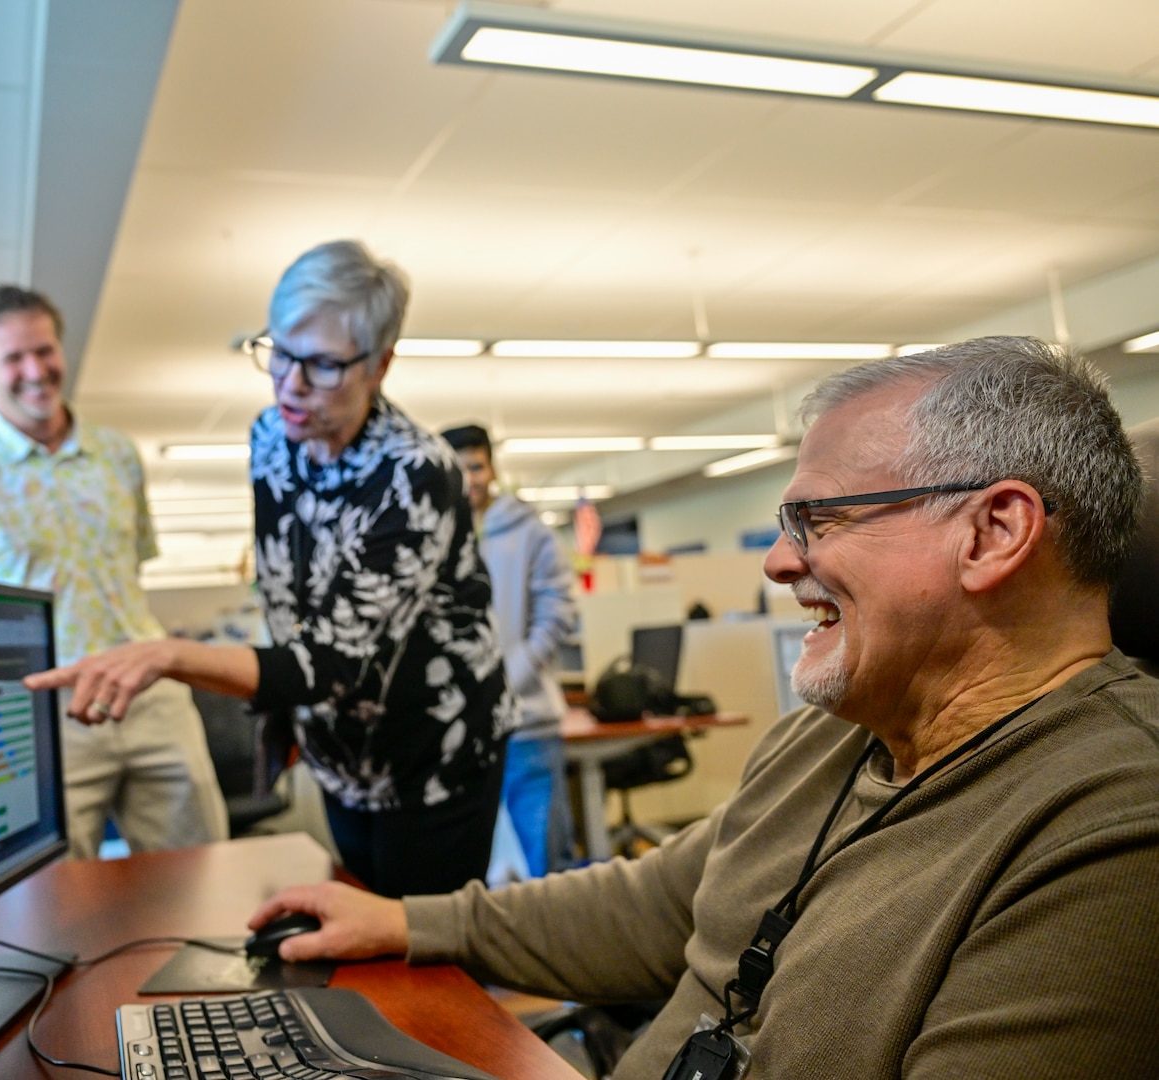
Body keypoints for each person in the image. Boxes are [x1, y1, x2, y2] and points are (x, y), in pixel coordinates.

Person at [245, 337, 1159, 1078]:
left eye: (818, 520)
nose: (778, 562)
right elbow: (654, 906)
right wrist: (411, 922)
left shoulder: (1115, 827)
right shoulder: (826, 743)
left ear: (993, 532)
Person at [28, 241, 511, 897]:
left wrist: (170, 655)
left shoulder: (415, 472)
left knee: (421, 957)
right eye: (280, 352)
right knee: (359, 928)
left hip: (433, 749)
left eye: (323, 366)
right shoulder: (273, 436)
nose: (291, 384)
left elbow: (337, 662)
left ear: (380, 365)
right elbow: (288, 590)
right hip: (343, 757)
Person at [0, 284, 227, 859]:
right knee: (55, 894)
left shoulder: (118, 454)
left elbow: (130, 570)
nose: (36, 370)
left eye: (45, 350)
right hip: (40, 714)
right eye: (13, 358)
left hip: (149, 692)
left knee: (201, 866)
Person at [441, 423, 576, 878]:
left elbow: (557, 617)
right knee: (479, 867)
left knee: (544, 864)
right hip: (462, 730)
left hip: (527, 725)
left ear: (492, 466)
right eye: (460, 470)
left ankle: (556, 948)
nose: (471, 479)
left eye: (477, 466)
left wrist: (505, 681)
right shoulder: (440, 537)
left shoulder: (530, 532)